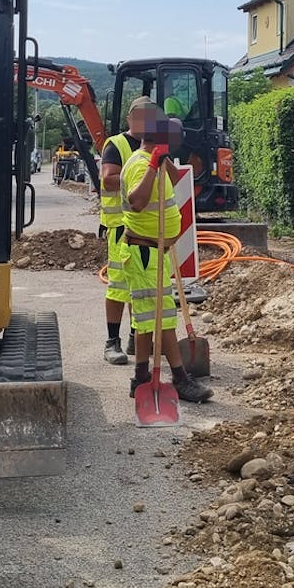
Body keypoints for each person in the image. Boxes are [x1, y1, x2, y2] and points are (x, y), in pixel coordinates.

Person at [122, 106, 212, 403]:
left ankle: (140, 377)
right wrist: (151, 164)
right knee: (162, 319)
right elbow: (136, 202)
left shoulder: (156, 159)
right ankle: (180, 377)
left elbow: (174, 181)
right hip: (144, 253)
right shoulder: (138, 164)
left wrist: (163, 160)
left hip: (154, 253)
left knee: (149, 319)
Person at [99, 96, 155, 364]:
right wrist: (136, 176)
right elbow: (108, 179)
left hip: (146, 229)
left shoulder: (154, 147)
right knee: (119, 286)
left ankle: (137, 337)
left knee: (141, 286)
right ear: (130, 118)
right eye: (141, 117)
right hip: (121, 228)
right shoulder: (117, 144)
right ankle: (112, 342)